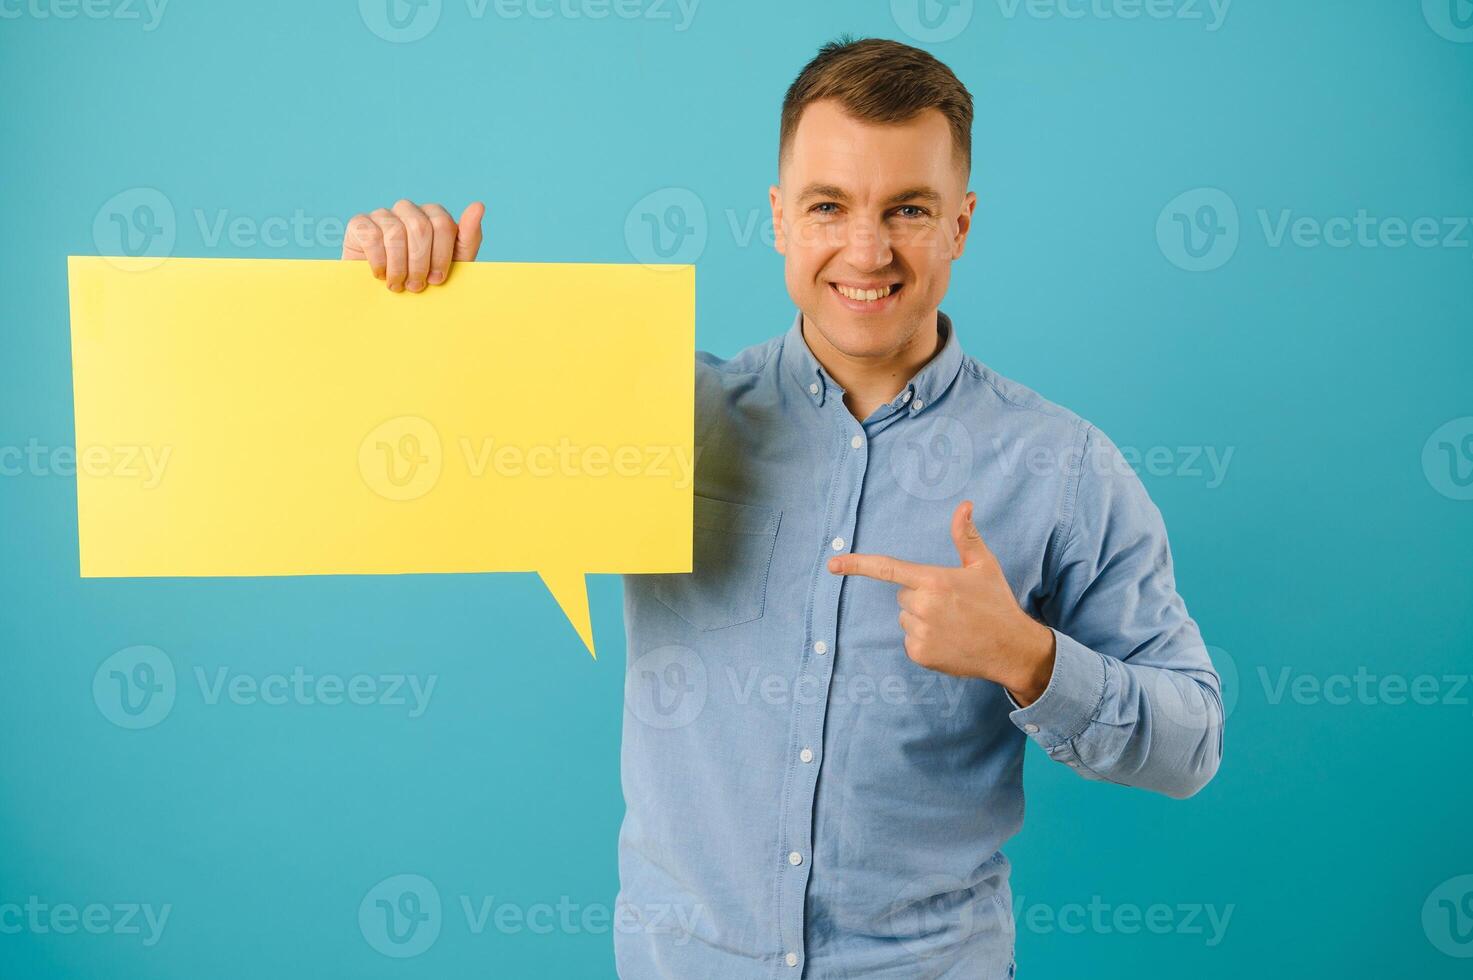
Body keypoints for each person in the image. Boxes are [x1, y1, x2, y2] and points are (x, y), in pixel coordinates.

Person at [340, 35, 1224, 980]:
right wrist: (404, 301)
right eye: (828, 206)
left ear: (961, 223)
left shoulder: (1060, 468)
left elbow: (1191, 742)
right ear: (777, 219)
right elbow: (400, 451)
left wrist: (1028, 658)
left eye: (909, 210)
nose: (866, 249)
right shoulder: (655, 417)